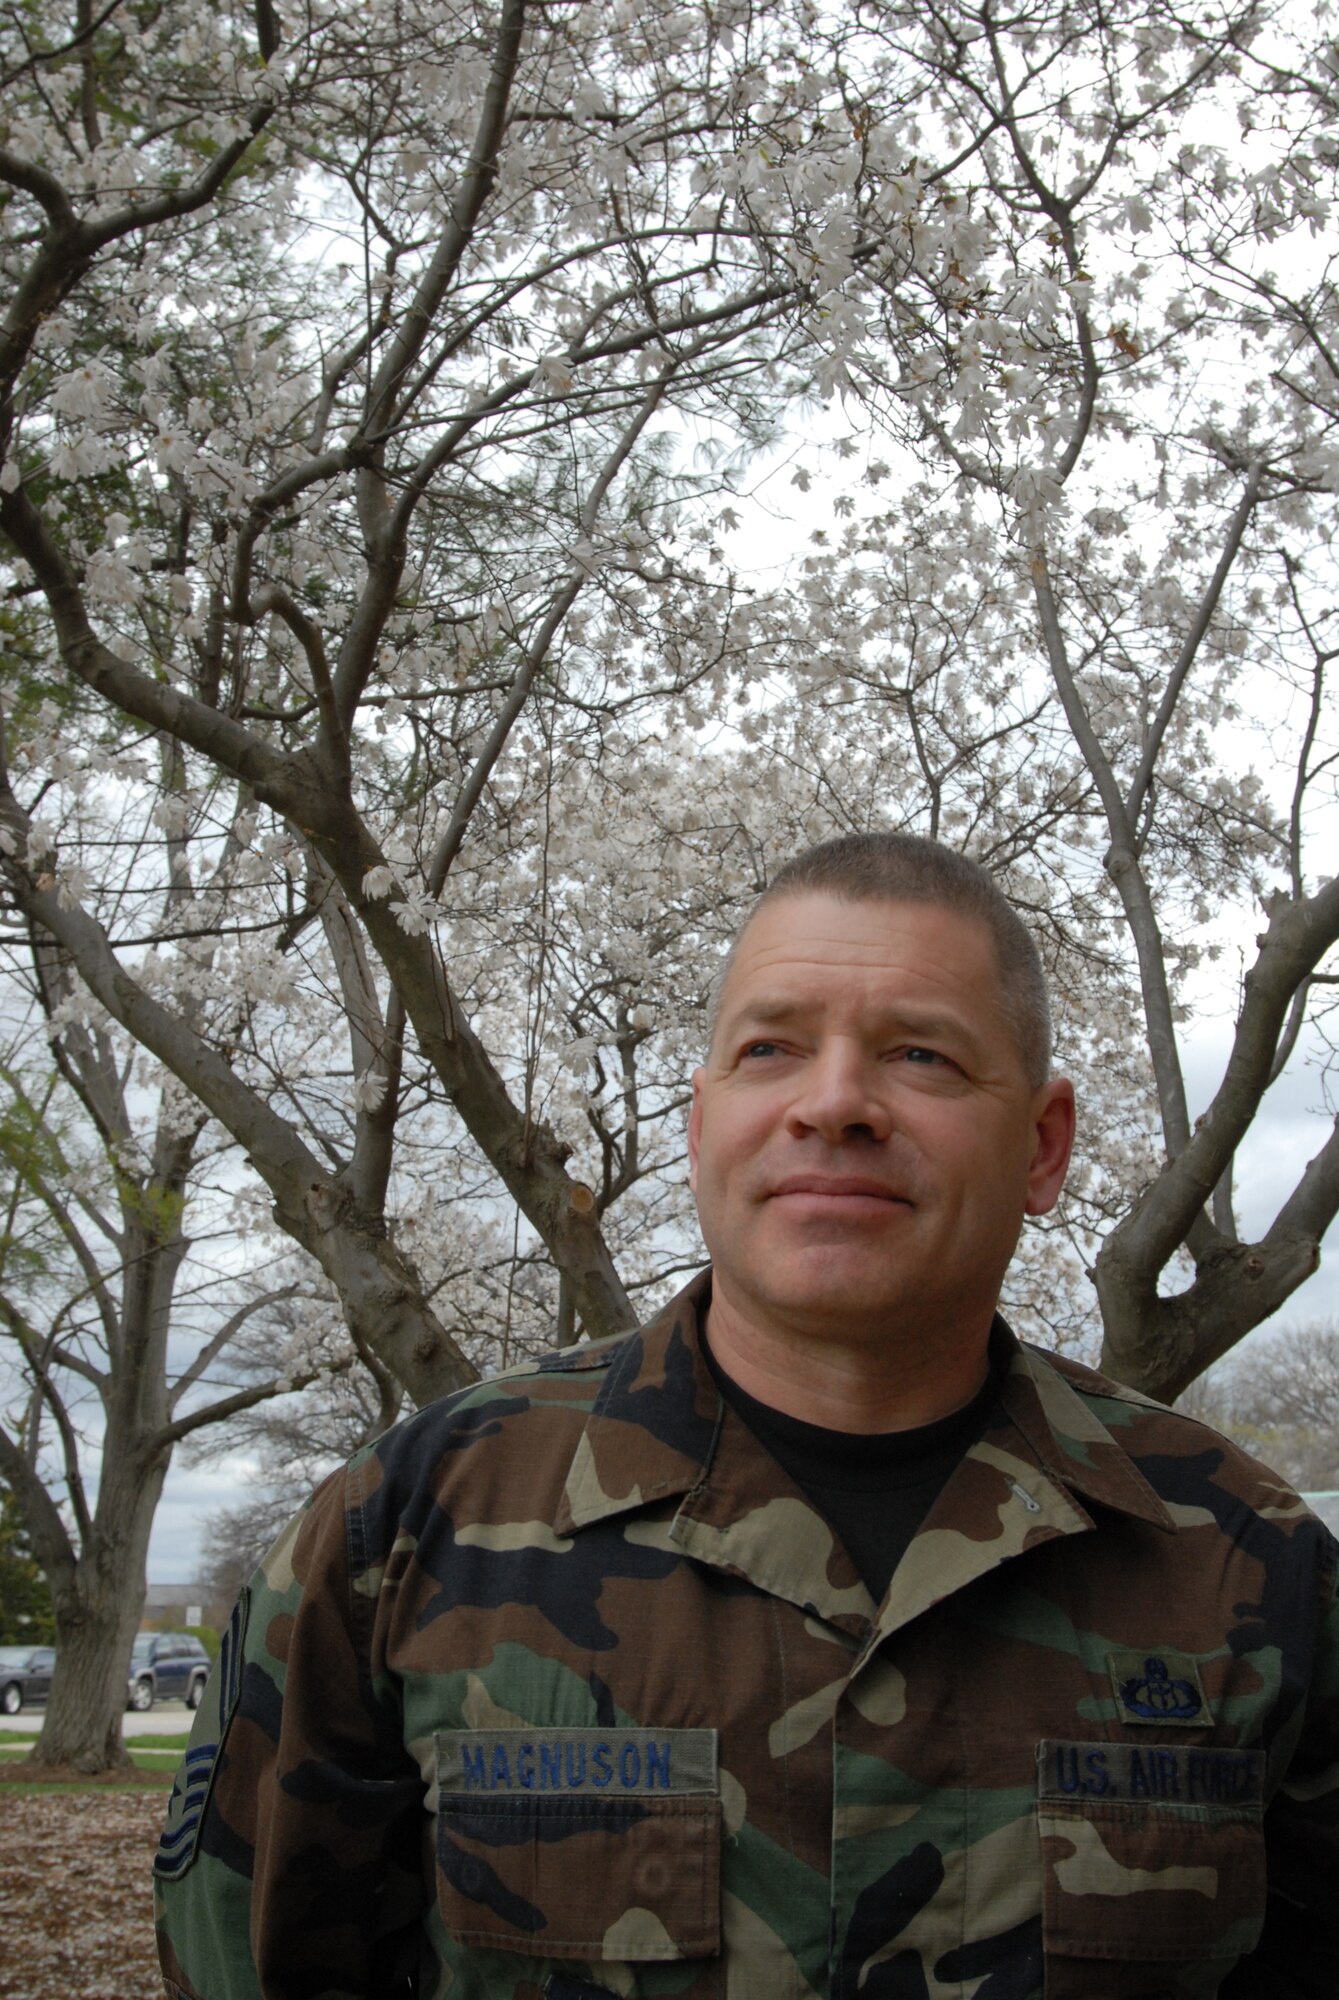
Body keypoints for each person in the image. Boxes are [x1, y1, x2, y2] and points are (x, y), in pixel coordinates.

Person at [155, 832, 1339, 2000]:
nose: (834, 1103)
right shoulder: (401, 1533)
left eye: (921, 1055)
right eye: (771, 1047)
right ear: (698, 1122)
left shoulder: (1254, 1564)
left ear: (1042, 1144)